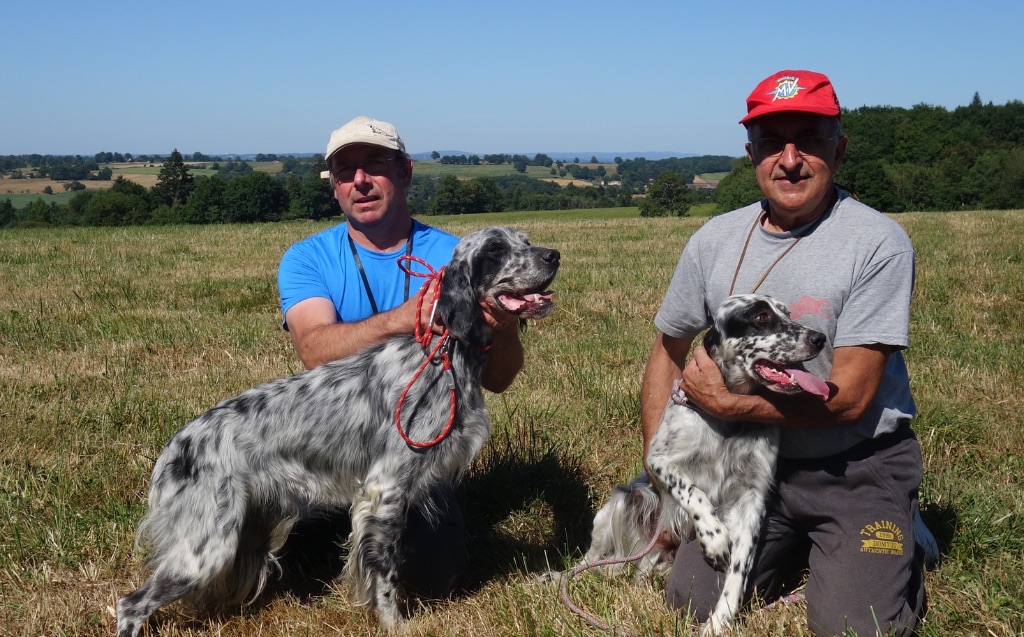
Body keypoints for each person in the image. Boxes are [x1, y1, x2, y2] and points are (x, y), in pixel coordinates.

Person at [641, 71, 927, 635]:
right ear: (752, 154)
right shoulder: (714, 240)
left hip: (853, 463)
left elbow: (850, 400)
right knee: (689, 603)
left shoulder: (877, 244)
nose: (790, 159)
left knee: (858, 624)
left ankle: (898, 534)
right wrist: (663, 478)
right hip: (745, 464)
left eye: (810, 139)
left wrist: (727, 405)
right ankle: (804, 548)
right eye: (772, 143)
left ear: (839, 150)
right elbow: (667, 352)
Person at [277, 115, 524, 598]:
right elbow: (314, 351)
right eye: (345, 171)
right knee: (287, 568)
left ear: (406, 171)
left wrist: (506, 327)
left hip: (416, 457)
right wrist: (402, 318)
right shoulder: (307, 258)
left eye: (375, 164)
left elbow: (499, 379)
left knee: (429, 578)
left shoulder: (459, 256)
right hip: (331, 452)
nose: (360, 180)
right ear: (334, 187)